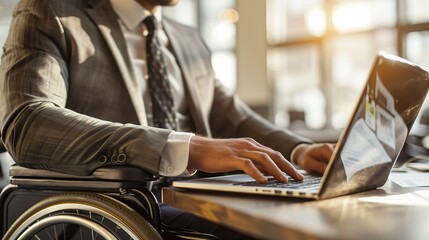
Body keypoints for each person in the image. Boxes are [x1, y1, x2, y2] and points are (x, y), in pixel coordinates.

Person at [0, 0, 334, 238]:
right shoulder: (51, 11)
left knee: (314, 214)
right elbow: (26, 121)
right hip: (122, 206)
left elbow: (233, 118)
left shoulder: (188, 39)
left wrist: (298, 151)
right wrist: (181, 147)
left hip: (202, 197)